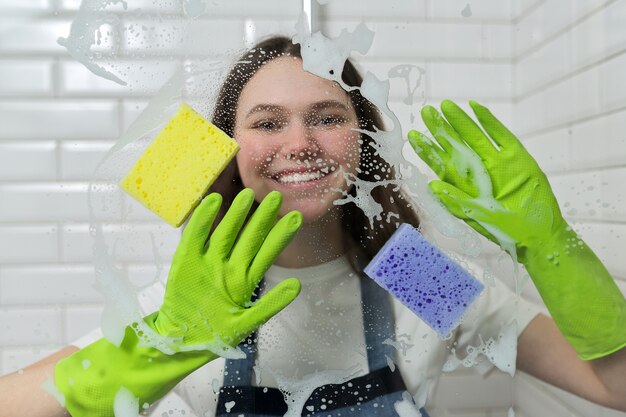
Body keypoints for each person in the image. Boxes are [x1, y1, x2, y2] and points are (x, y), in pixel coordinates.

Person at [1, 35, 625, 417]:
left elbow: (615, 388)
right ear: (228, 149)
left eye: (327, 116)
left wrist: (552, 246)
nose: (300, 143)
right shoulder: (206, 294)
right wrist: (159, 347)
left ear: (364, 139)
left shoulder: (411, 273)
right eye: (267, 123)